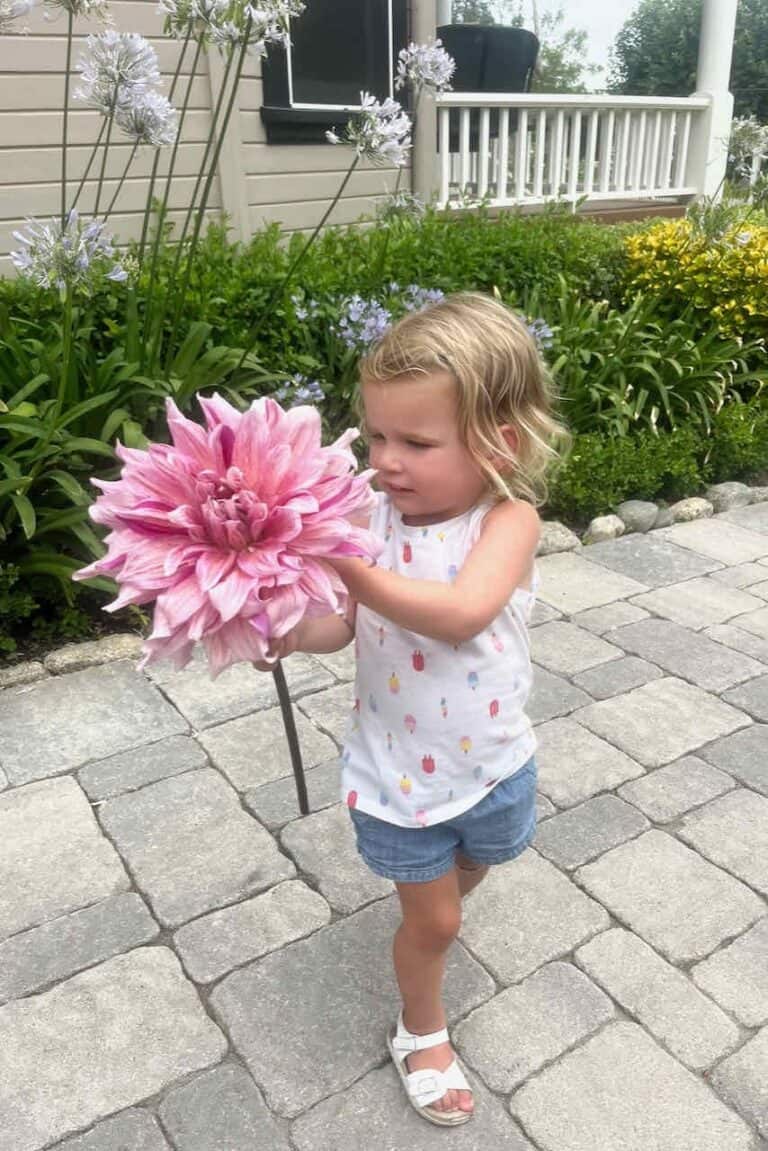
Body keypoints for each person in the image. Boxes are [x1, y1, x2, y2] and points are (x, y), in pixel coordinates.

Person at [255, 291, 566, 1126]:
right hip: (399, 777)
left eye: (416, 441)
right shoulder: (368, 520)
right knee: (434, 921)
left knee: (480, 867)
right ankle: (421, 1027)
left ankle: (440, 897)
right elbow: (338, 626)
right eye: (379, 434)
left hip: (495, 763)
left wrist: (346, 565)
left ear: (498, 442)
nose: (386, 459)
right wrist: (284, 628)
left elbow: (461, 612)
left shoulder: (508, 520)